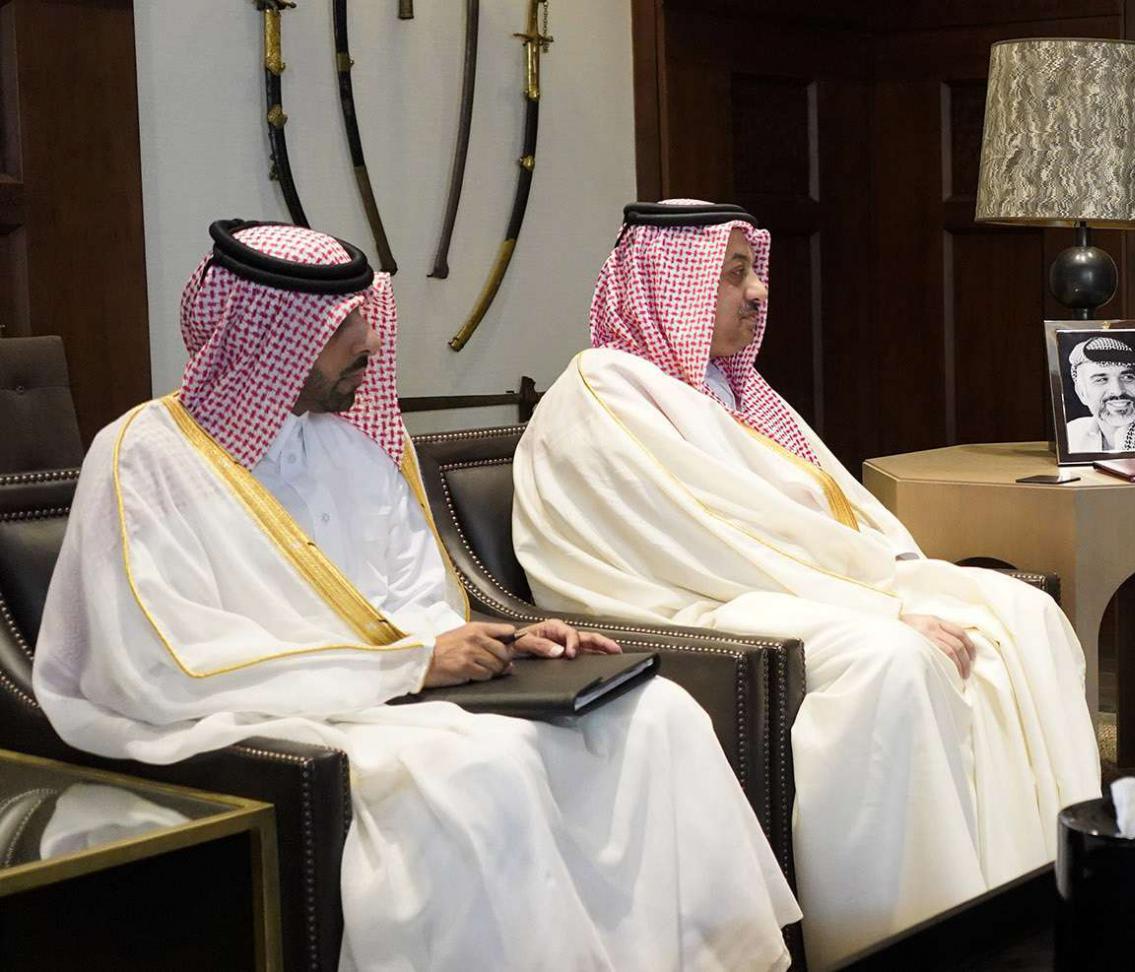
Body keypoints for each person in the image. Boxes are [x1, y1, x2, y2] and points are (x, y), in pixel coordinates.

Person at [31, 221, 800, 970]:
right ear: (273, 336)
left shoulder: (346, 447)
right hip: (256, 715)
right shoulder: (144, 456)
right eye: (345, 324)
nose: (370, 342)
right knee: (480, 770)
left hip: (385, 691)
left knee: (656, 715)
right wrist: (411, 666)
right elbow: (166, 662)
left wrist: (500, 645)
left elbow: (410, 595)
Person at [513, 200, 1102, 968]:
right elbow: (706, 543)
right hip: (690, 605)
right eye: (735, 274)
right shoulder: (605, 388)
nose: (759, 292)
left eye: (755, 270)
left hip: (790, 584)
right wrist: (884, 605)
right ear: (669, 284)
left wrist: (899, 577)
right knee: (895, 659)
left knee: (1027, 615)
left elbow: (829, 512)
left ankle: (1046, 902)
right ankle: (907, 942)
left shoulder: (729, 389)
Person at [1062, 335, 1135, 453]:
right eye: (1101, 380)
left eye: (1127, 377)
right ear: (1081, 393)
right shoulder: (1072, 433)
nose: (1118, 391)